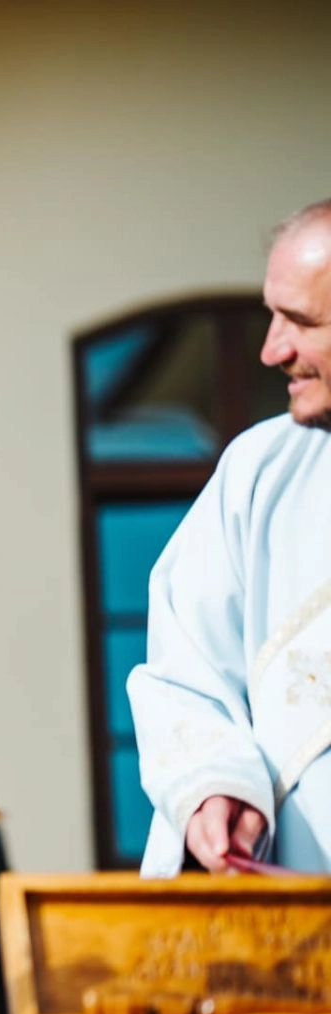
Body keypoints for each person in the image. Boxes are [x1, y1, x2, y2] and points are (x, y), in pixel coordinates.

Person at [131, 199, 331, 876]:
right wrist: (216, 786)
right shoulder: (256, 474)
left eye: (302, 322)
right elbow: (185, 675)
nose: (272, 350)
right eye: (272, 316)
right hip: (289, 922)